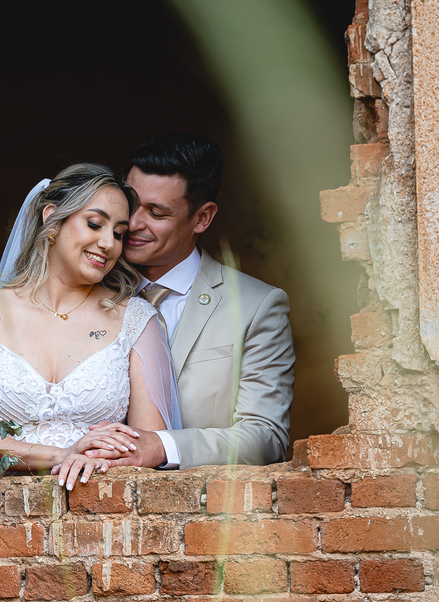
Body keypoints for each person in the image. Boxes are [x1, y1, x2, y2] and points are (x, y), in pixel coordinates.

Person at [0, 163, 182, 491]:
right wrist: (61, 455)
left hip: (99, 515)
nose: (108, 242)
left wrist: (105, 455)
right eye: (95, 224)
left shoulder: (137, 320)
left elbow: (145, 447)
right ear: (52, 219)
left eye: (119, 233)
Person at [85, 132, 296, 469]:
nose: (133, 223)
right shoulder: (82, 289)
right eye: (131, 203)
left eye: (156, 212)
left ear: (202, 218)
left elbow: (265, 437)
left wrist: (161, 447)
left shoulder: (258, 307)